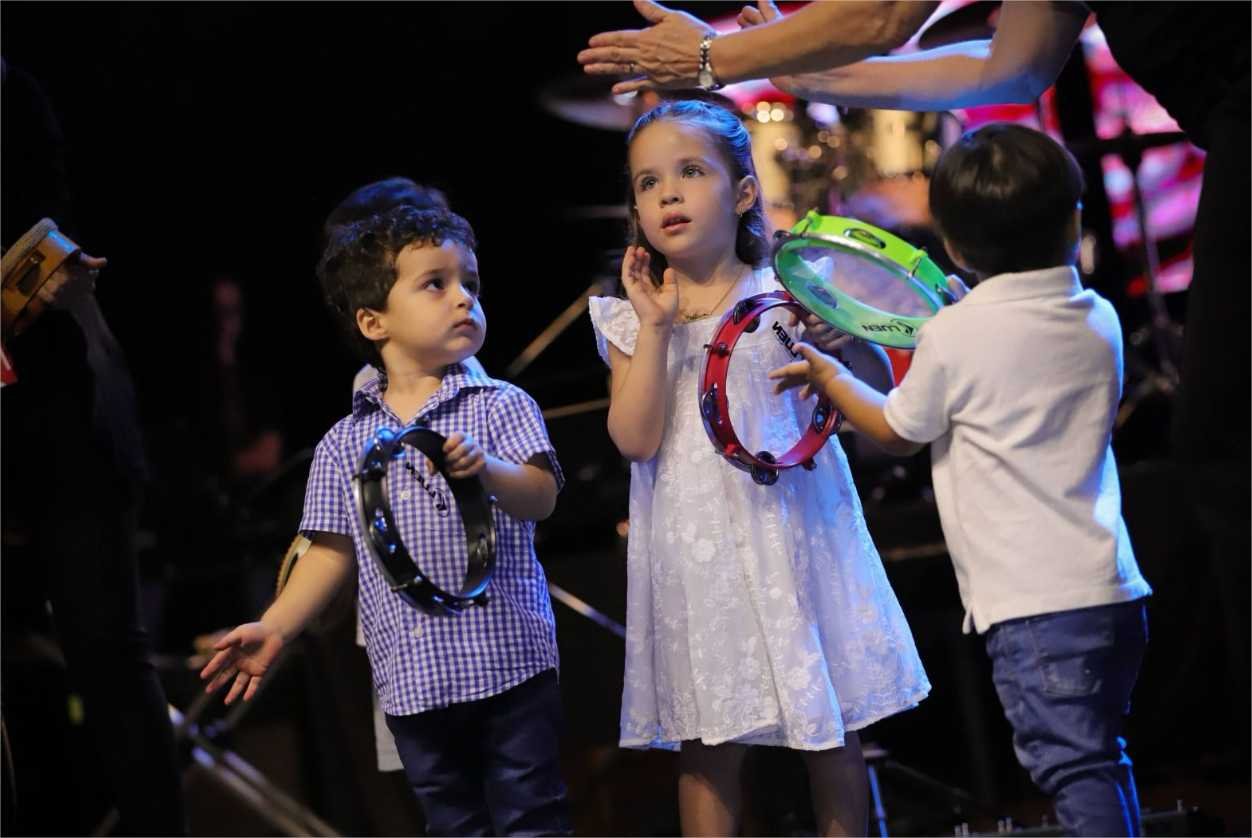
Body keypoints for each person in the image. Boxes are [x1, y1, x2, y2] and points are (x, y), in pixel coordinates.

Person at [770, 124, 1153, 837]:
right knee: (1098, 758)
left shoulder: (955, 336)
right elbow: (1004, 355)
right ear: (1074, 219)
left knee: (1071, 768)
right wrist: (958, 312)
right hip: (1111, 593)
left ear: (951, 245)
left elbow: (893, 427)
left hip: (1033, 605)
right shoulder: (1098, 316)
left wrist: (831, 374)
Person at [587, 98, 930, 837]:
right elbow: (635, 438)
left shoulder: (785, 293)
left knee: (830, 727)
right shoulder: (630, 315)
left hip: (794, 533)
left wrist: (834, 347)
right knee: (710, 743)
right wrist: (653, 328)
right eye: (648, 183)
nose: (668, 194)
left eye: (690, 172)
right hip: (697, 549)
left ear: (744, 190)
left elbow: (881, 401)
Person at [200, 205, 573, 836]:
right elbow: (329, 551)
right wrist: (276, 626)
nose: (463, 299)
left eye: (470, 284)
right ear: (374, 321)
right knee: (452, 821)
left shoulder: (502, 405)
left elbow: (541, 497)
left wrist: (488, 471)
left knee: (531, 813)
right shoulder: (344, 443)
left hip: (510, 657)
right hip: (414, 676)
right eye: (436, 284)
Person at [0, 59, 187, 836]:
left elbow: (45, 233)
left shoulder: (10, 93)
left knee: (109, 656)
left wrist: (30, 278)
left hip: (61, 410)